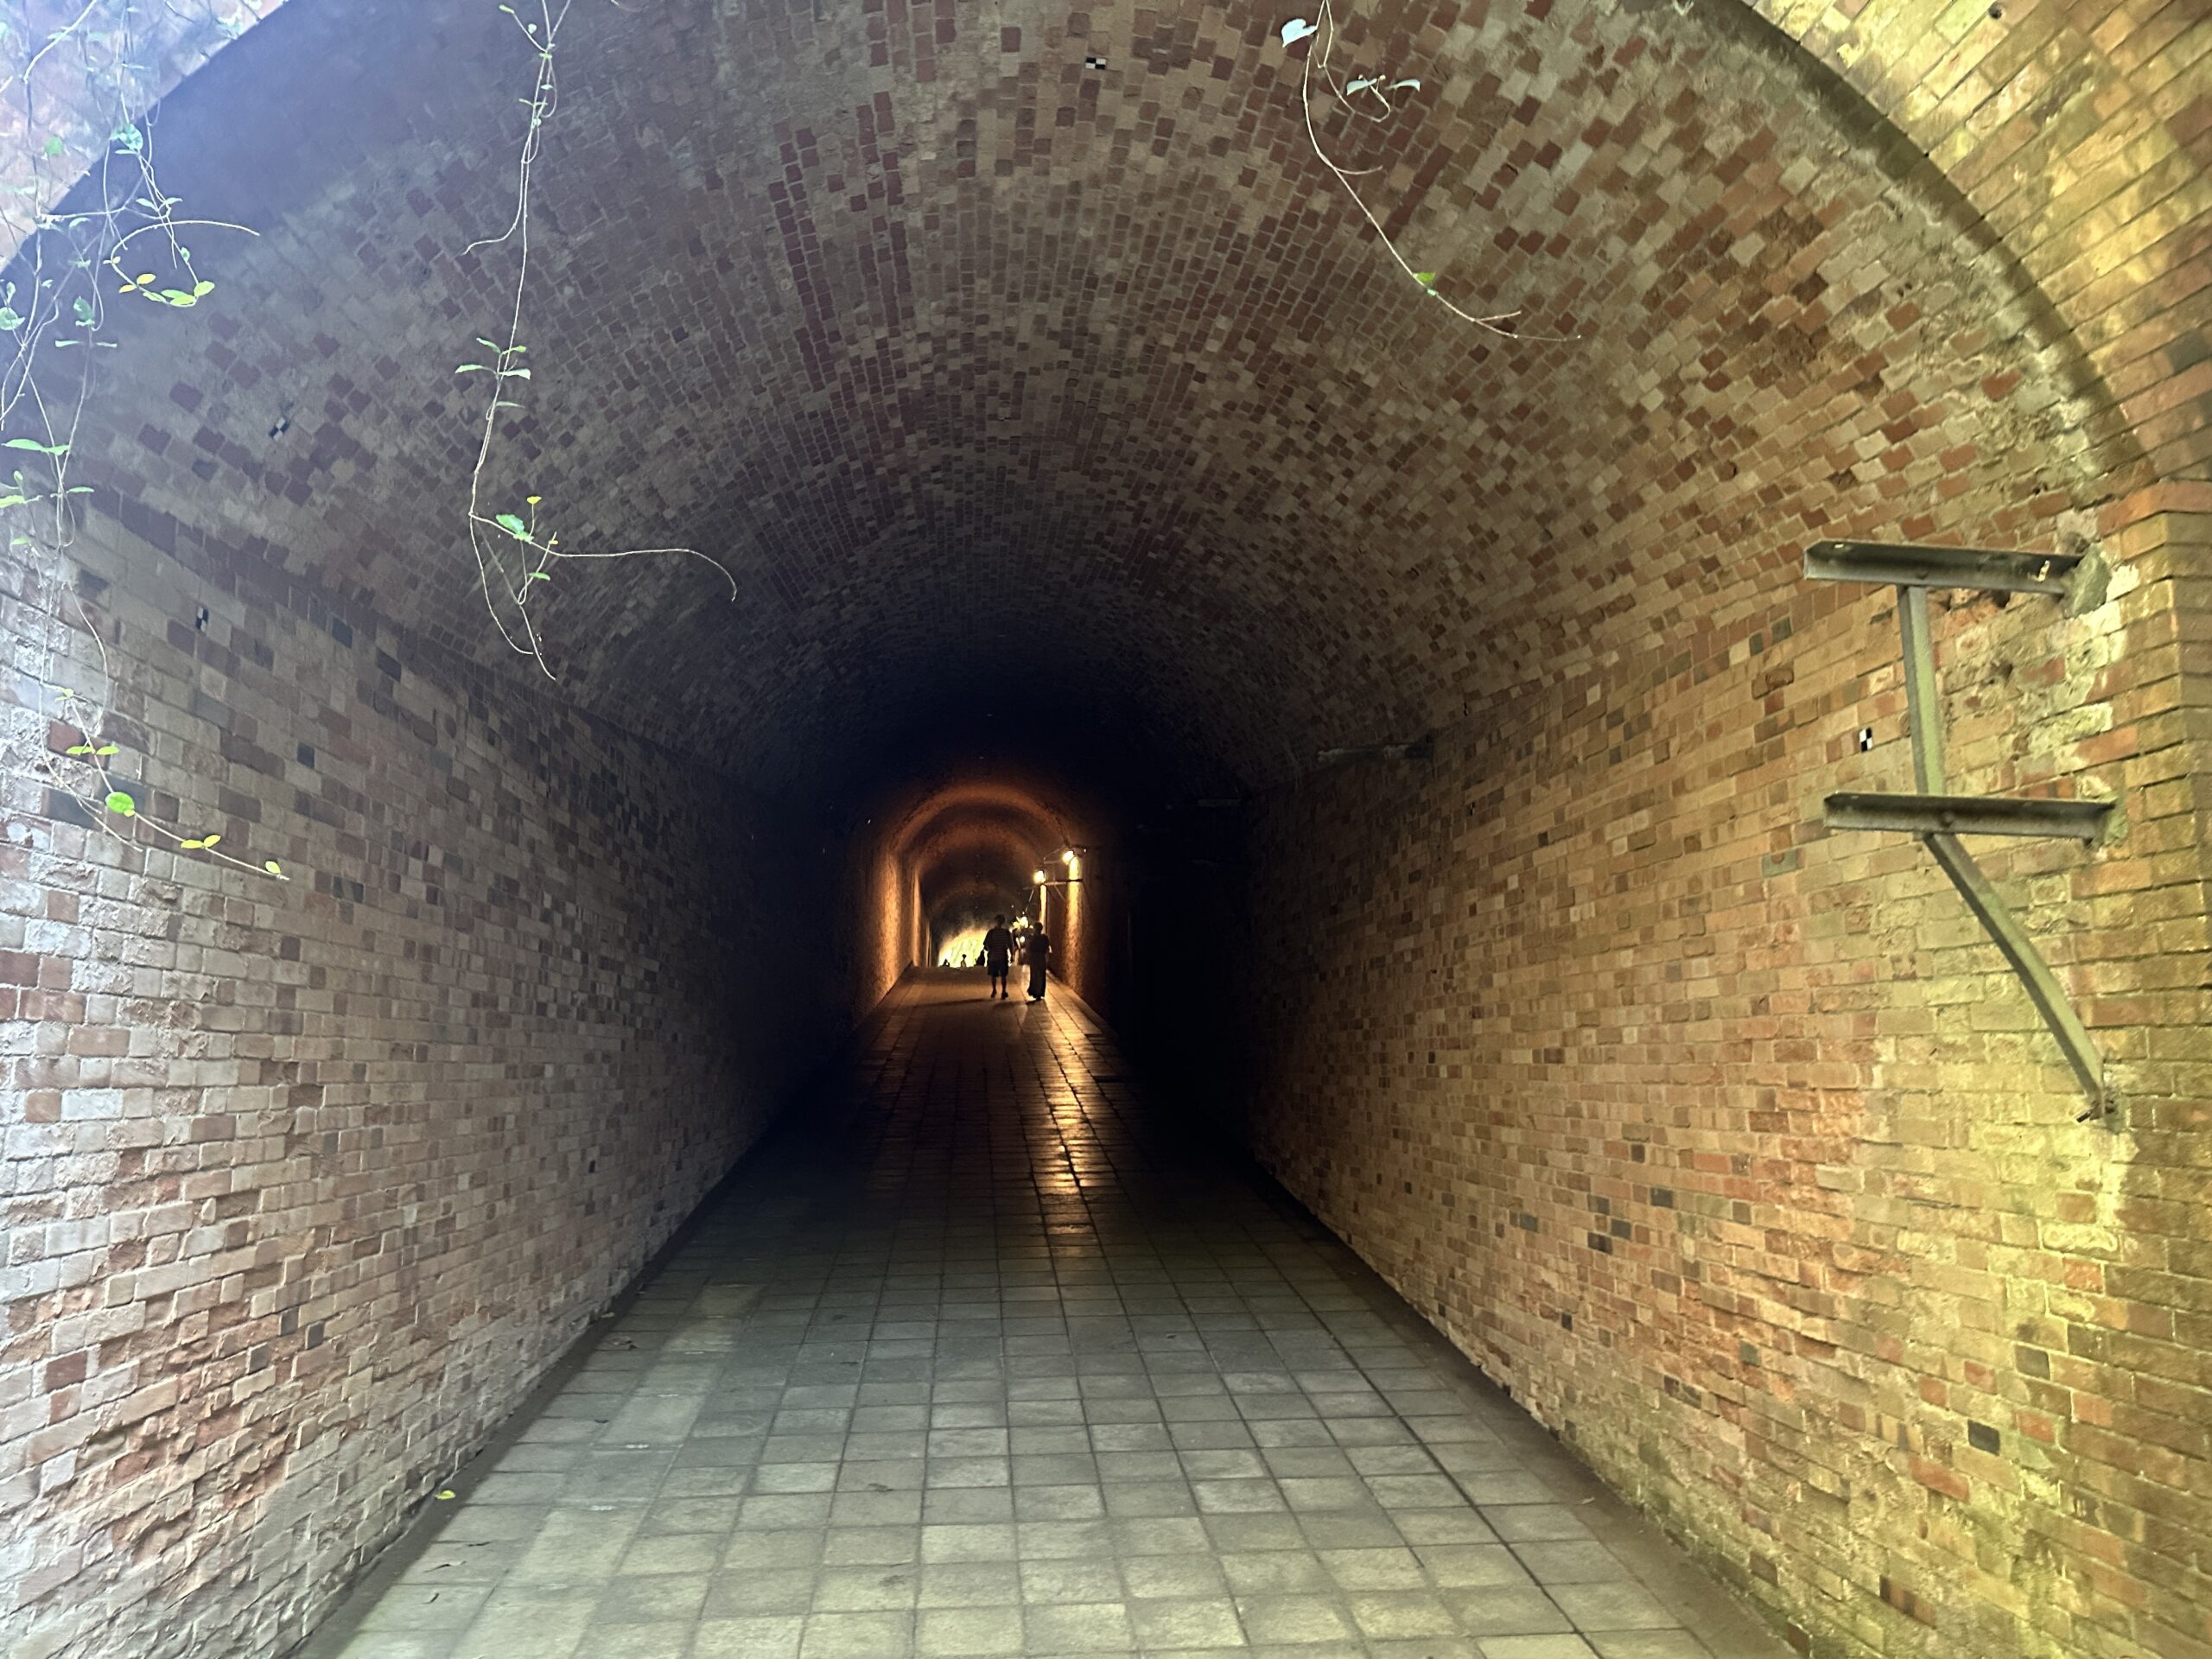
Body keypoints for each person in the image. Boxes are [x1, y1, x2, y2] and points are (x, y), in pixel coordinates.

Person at [981, 914, 1014, 1001]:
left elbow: (986, 944)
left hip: (993, 957)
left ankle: (994, 990)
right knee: (1003, 975)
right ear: (1003, 922)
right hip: (1003, 957)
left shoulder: (991, 932)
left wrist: (990, 949)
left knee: (993, 975)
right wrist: (1012, 955)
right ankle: (1003, 991)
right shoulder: (1006, 933)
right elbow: (1010, 945)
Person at [1022, 922, 1052, 1003]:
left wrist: (1028, 957)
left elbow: (1028, 948)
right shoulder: (1044, 938)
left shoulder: (1032, 938)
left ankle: (1036, 991)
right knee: (1040, 975)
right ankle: (1039, 992)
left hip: (1035, 958)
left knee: (1035, 975)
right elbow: (1047, 949)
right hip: (1040, 957)